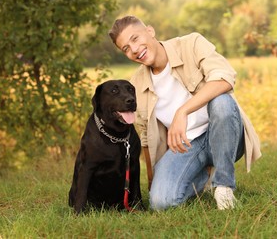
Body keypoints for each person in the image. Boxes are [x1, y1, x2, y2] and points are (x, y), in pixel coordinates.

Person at [108, 15, 261, 211]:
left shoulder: (191, 44)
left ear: (150, 31)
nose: (134, 50)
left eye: (135, 39)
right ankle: (204, 177)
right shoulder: (137, 83)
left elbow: (225, 79)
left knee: (222, 102)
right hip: (187, 145)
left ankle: (224, 187)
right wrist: (154, 182)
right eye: (126, 49)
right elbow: (146, 137)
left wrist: (183, 111)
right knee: (161, 202)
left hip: (225, 132)